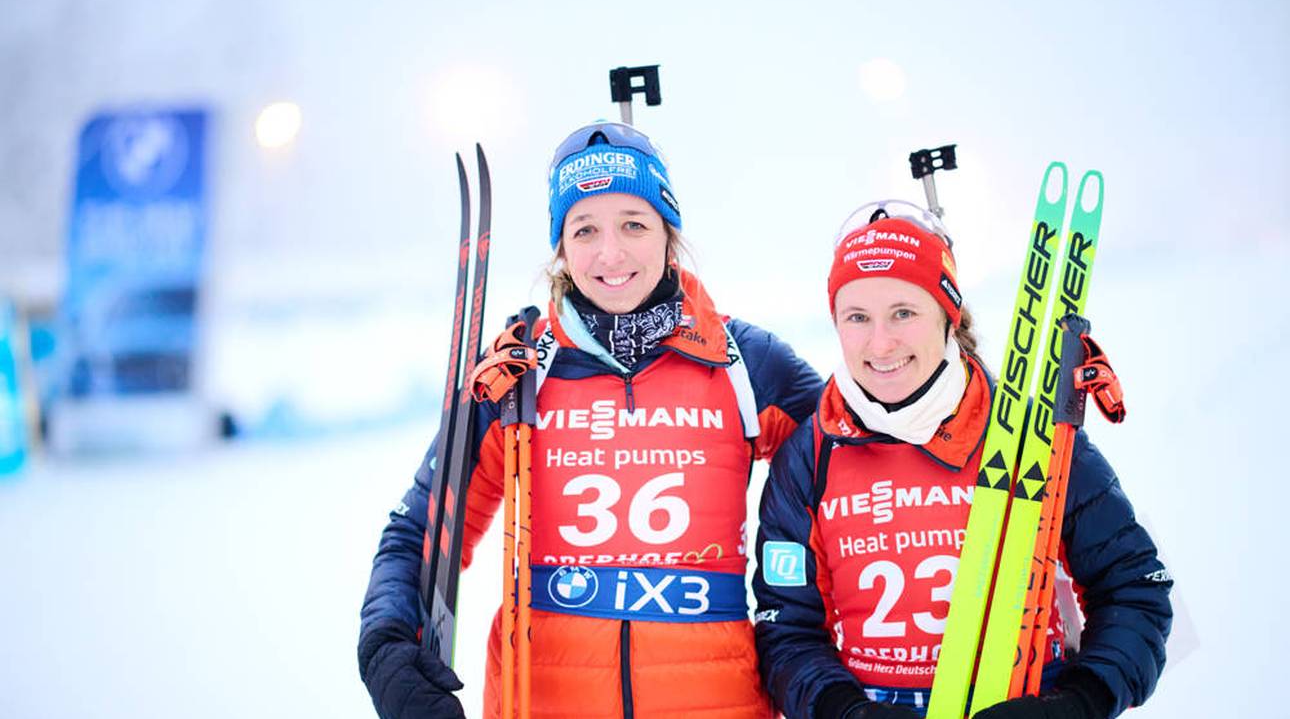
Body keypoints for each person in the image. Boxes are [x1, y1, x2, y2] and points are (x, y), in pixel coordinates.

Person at [357, 121, 824, 718]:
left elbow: (859, 471)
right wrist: (387, 647)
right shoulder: (519, 373)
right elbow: (419, 530)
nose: (611, 253)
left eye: (634, 223)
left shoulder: (744, 362)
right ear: (560, 246)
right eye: (585, 230)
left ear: (667, 232)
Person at [751, 202, 1172, 719]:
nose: (880, 343)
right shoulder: (810, 457)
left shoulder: (1029, 435)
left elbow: (1133, 586)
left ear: (948, 316)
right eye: (857, 317)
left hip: (1023, 694)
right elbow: (786, 630)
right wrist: (844, 711)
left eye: (904, 312)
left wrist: (1079, 701)